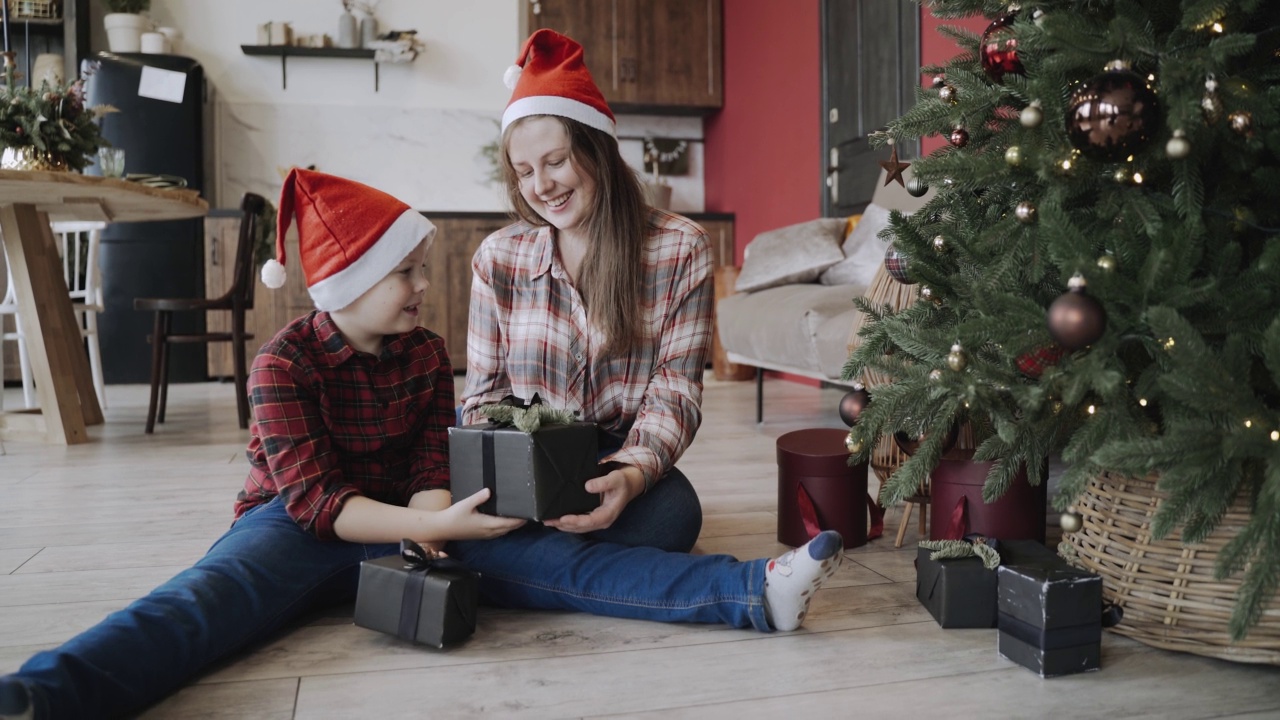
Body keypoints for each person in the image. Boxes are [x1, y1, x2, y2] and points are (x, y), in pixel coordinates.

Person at [0, 169, 843, 720]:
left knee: (564, 565)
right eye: (403, 274)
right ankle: (40, 697)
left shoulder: (420, 353)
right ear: (347, 285)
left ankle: (755, 593)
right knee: (203, 602)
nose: (420, 287)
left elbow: (431, 459)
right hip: (294, 529)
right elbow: (317, 503)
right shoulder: (281, 365)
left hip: (409, 522)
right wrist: (426, 524)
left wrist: (439, 514)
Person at [461, 28, 712, 553]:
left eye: (555, 162)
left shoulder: (680, 249)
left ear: (597, 148)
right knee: (467, 495)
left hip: (614, 446)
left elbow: (676, 390)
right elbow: (483, 398)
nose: (541, 186)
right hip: (524, 441)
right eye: (525, 172)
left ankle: (525, 560)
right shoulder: (497, 259)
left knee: (674, 519)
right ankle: (571, 558)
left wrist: (633, 474)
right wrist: (518, 469)